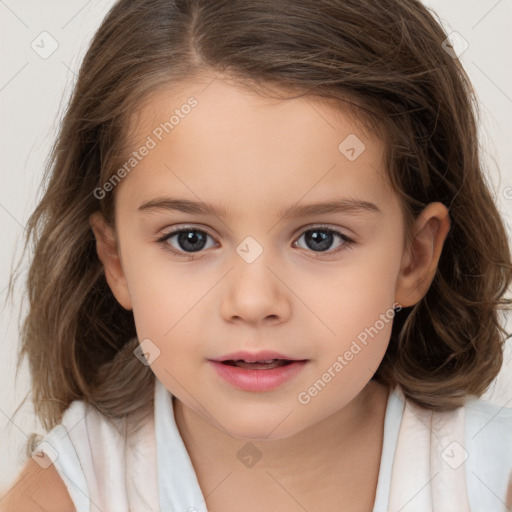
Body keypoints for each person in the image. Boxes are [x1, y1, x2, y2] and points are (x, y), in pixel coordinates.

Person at [1, 0, 511, 511]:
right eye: (190, 239)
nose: (252, 301)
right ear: (116, 261)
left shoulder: (488, 475)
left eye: (320, 238)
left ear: (413, 258)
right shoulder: (71, 492)